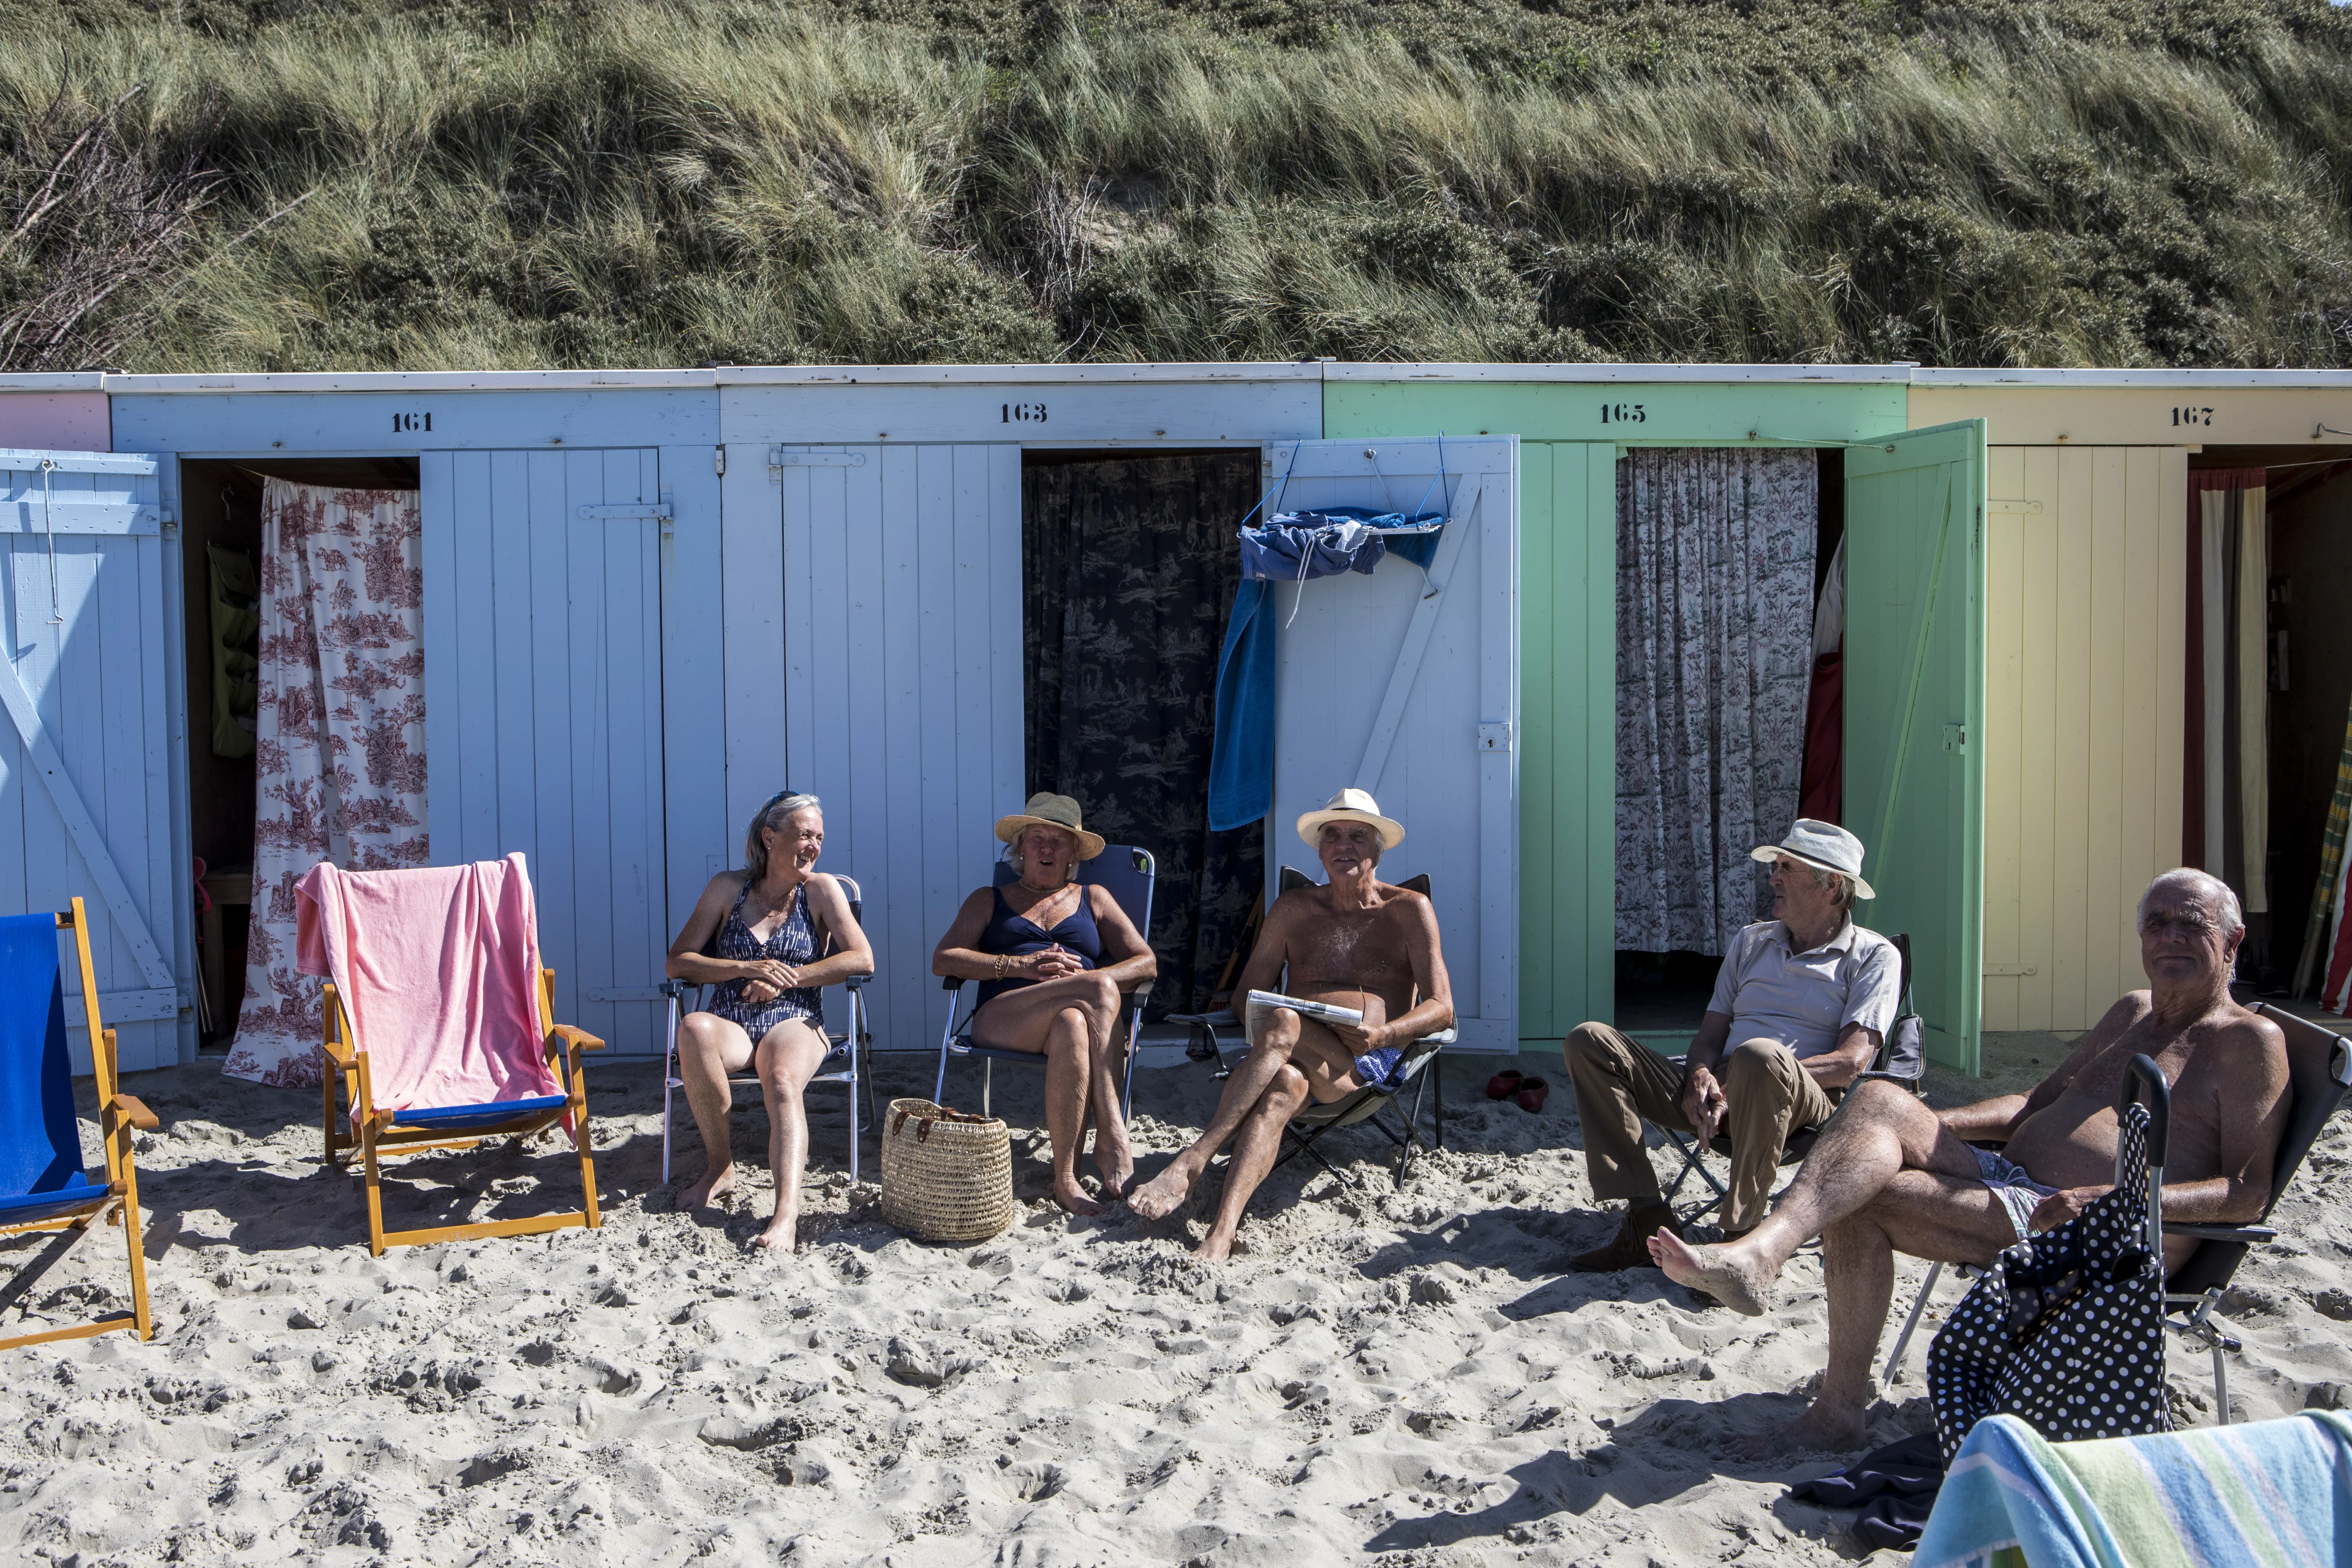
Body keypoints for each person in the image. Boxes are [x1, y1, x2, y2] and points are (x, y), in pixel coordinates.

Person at [1653, 867, 2292, 1457]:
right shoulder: (2133, 1012)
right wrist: (1912, 1125)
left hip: (2100, 1230)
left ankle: (1835, 1407)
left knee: (1863, 1192)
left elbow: (2247, 1192)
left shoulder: (2247, 1042)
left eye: (2192, 925)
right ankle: (1761, 1255)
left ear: (2233, 940)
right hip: (2014, 1183)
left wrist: (2106, 1199)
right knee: (1878, 1098)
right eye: (2158, 923)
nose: (2170, 937)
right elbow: (2031, 1104)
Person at [1560, 820, 1901, 1271]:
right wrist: (1701, 1075)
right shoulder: (1752, 940)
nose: (1773, 877)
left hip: (1803, 1106)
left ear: (1832, 884)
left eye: (1787, 868)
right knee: (1590, 1041)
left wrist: (1739, 1079)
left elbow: (1849, 1063)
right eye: (1775, 866)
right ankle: (1646, 1217)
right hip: (1716, 1093)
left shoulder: (1874, 956)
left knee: (1759, 1057)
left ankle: (1740, 1243)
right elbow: (1708, 1036)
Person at [1129, 788, 1453, 1259]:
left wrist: (1384, 1035)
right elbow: (1244, 998)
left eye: (1358, 837)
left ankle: (1193, 1160)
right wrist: (1277, 1023)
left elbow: (1442, 1008)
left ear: (1379, 849)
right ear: (1320, 850)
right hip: (1291, 1058)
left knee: (1284, 1022)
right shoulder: (1294, 909)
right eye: (1333, 836)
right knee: (1281, 1082)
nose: (1345, 846)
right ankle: (1222, 1234)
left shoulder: (1408, 911)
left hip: (1362, 1064)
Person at [932, 793, 1156, 1216]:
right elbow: (944, 959)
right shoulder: (988, 899)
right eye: (1037, 838)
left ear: (1074, 852)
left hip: (1077, 1019)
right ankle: (1112, 1130)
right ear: (1020, 846)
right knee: (1101, 990)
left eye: (1059, 840)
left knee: (1075, 1020)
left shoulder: (1095, 898)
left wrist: (1086, 981)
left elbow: (1147, 963)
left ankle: (1066, 1179)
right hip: (1005, 1016)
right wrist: (1019, 964)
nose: (1047, 848)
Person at [667, 790, 873, 1251]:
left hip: (796, 1017)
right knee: (694, 1028)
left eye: (819, 837)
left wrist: (788, 978)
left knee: (781, 1079)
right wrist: (744, 968)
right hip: (733, 1020)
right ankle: (720, 1167)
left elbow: (862, 959)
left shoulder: (820, 890)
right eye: (804, 835)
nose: (813, 846)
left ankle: (785, 1215)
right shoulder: (726, 888)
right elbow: (678, 962)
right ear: (769, 837)